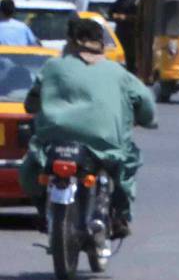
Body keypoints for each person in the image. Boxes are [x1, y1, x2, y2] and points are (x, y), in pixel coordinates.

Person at [21, 15, 154, 237]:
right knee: (127, 163)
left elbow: (31, 103)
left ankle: (43, 212)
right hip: (104, 148)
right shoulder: (118, 72)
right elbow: (146, 105)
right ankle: (120, 216)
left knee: (30, 169)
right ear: (100, 44)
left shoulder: (52, 66)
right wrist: (145, 119)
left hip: (54, 144)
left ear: (71, 41)